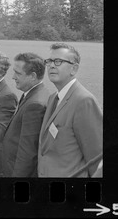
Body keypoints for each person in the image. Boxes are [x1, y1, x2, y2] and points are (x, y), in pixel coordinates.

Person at [38, 43, 102, 177]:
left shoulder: (83, 101)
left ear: (74, 68)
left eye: (58, 61)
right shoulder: (53, 98)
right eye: (49, 61)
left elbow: (96, 158)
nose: (51, 65)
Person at [2, 53, 49, 177]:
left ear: (32, 76)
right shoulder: (33, 93)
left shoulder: (35, 105)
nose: (13, 77)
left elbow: (27, 152)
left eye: (17, 73)